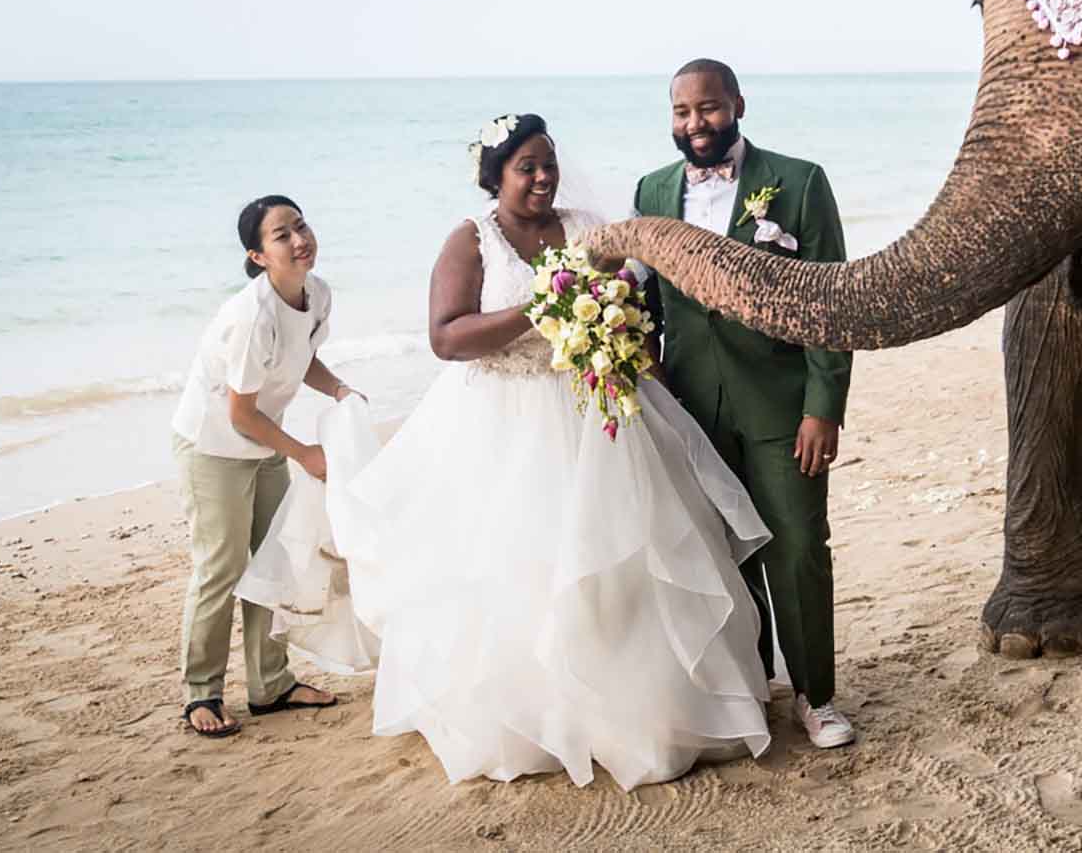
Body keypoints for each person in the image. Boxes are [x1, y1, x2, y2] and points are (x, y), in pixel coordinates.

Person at [245, 114, 774, 790]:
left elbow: (631, 306)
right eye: (527, 165)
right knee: (518, 566)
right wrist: (544, 308)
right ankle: (533, 719)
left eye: (549, 161)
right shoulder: (471, 240)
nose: (544, 176)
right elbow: (445, 335)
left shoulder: (587, 226)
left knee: (621, 564)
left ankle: (641, 711)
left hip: (594, 409)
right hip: (502, 417)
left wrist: (623, 340)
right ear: (495, 177)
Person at [632, 60, 857, 749]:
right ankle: (751, 691)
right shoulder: (651, 189)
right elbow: (644, 304)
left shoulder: (799, 180)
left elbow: (830, 302)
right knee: (721, 555)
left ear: (737, 105)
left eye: (707, 108)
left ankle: (816, 696)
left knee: (796, 547)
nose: (694, 124)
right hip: (689, 406)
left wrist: (825, 405)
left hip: (782, 405)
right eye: (681, 111)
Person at [169, 194, 348, 739]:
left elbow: (300, 358)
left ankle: (271, 685)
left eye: (301, 225)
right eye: (281, 236)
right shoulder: (251, 317)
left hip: (262, 438)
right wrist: (304, 454)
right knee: (220, 570)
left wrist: (339, 388)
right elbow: (240, 412)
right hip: (215, 446)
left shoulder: (316, 294)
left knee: (271, 563)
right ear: (257, 255)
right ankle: (201, 693)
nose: (299, 240)